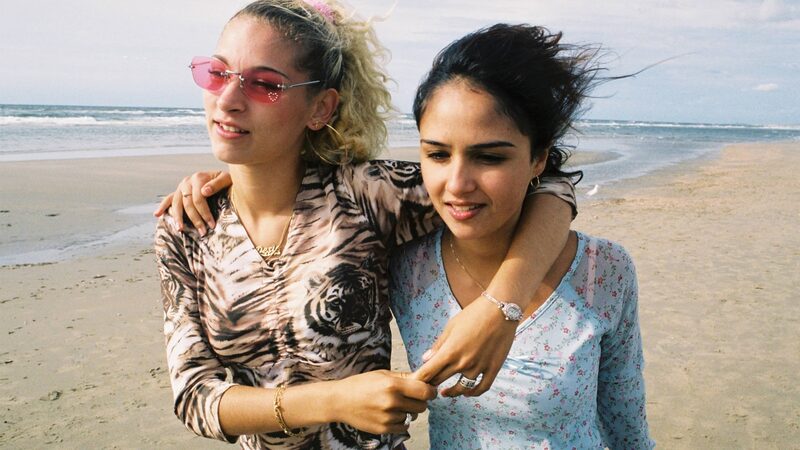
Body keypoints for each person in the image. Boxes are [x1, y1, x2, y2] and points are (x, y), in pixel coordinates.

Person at [153, 1, 576, 448]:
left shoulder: (363, 194)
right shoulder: (187, 226)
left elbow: (546, 183)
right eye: (218, 73)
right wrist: (335, 400)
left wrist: (499, 309)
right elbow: (194, 397)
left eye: (265, 84)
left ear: (320, 108)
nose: (227, 100)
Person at [388, 24, 655, 448]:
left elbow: (625, 416)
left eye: (489, 157)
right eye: (437, 154)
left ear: (538, 159)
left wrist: (500, 307)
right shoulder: (407, 267)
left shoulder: (602, 269)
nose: (456, 184)